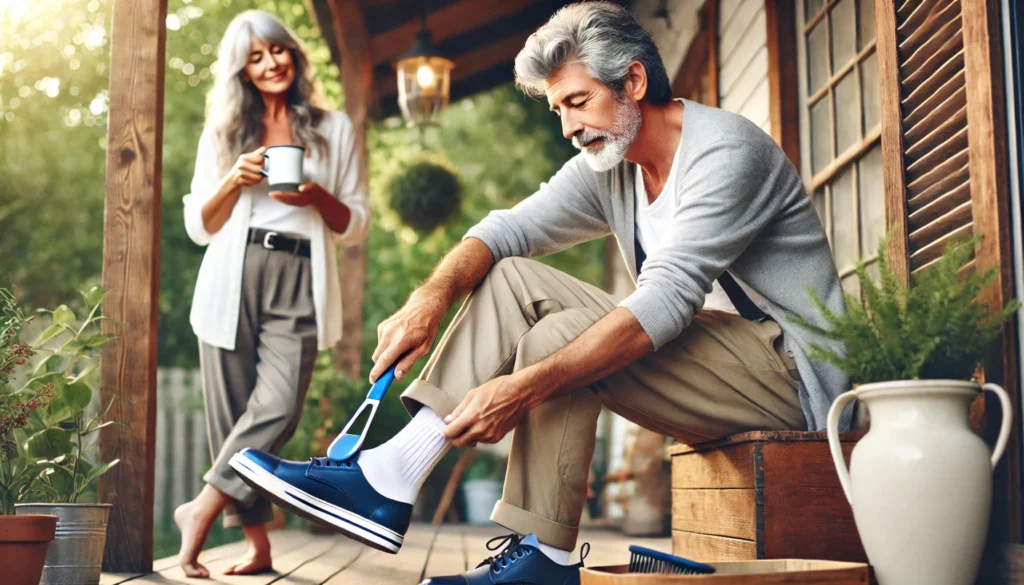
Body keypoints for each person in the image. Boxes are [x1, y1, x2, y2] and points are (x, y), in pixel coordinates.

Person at [230, 3, 851, 584]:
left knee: (559, 349)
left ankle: (407, 485)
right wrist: (430, 298)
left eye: (578, 102)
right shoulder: (616, 163)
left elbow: (665, 303)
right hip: (720, 360)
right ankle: (492, 531)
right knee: (511, 278)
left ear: (633, 82)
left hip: (792, 380)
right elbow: (507, 229)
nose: (569, 127)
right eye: (558, 110)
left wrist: (522, 388)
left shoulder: (724, 151)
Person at [175, 10, 368, 579]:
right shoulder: (222, 134)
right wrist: (232, 181)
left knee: (277, 406)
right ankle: (258, 546)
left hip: (299, 276)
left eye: (277, 51)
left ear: (294, 53)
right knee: (235, 415)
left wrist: (314, 194)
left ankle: (201, 508)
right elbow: (199, 226)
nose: (270, 63)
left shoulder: (333, 129)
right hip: (232, 274)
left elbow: (354, 221)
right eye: (255, 57)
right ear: (242, 70)